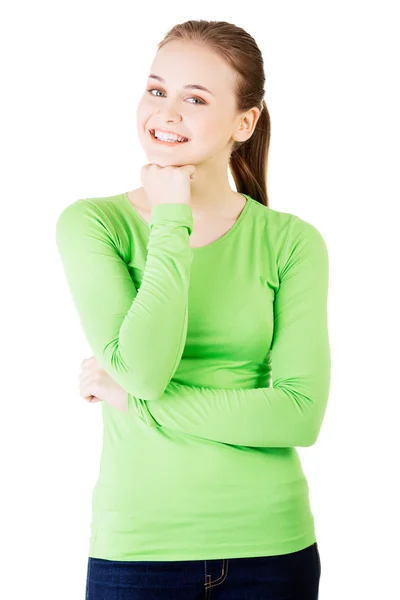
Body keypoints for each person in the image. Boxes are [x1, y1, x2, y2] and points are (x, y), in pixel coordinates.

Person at [56, 18, 329, 600]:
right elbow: (145, 370)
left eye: (195, 98)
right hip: (138, 551)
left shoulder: (291, 241)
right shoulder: (93, 225)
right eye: (157, 90)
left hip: (272, 550)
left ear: (244, 121)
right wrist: (171, 219)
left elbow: (300, 415)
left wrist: (141, 406)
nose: (166, 113)